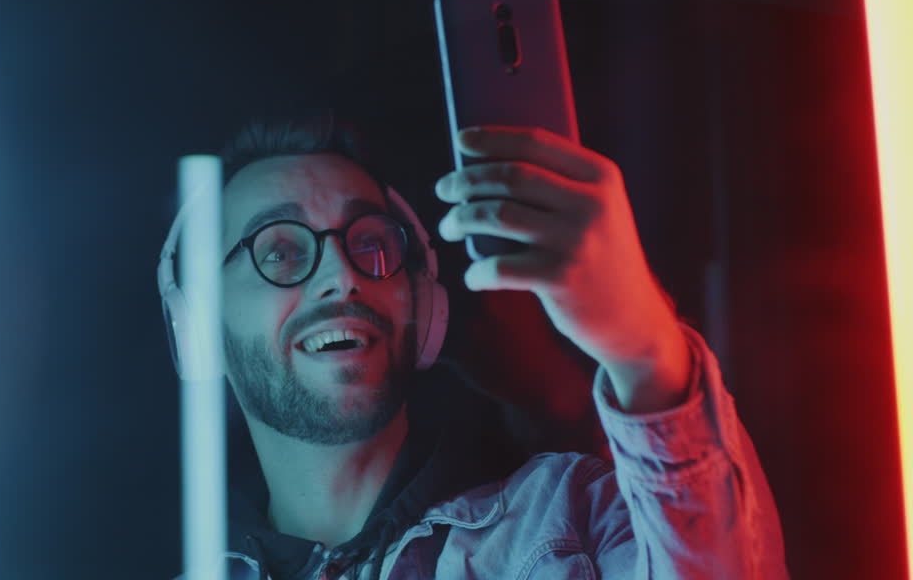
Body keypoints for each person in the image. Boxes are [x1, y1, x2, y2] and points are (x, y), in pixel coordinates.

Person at [158, 109, 788, 579]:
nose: (342, 275)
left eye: (371, 243)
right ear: (201, 323)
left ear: (422, 303)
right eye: (280, 252)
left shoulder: (570, 520)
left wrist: (643, 346)